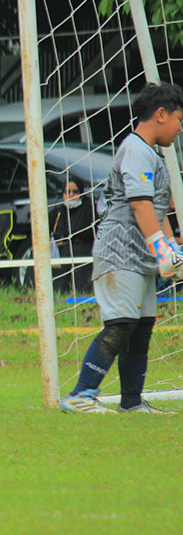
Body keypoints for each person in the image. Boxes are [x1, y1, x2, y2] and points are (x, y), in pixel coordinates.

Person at [59, 82, 183, 415]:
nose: (180, 127)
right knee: (122, 323)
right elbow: (139, 204)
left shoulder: (152, 154)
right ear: (161, 114)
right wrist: (161, 248)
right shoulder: (135, 149)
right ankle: (80, 395)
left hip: (141, 256)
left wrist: (171, 246)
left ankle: (131, 402)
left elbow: (157, 209)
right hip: (120, 253)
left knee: (141, 328)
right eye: (179, 119)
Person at [48, 178, 98, 292]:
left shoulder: (89, 210)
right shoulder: (58, 212)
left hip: (83, 249)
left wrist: (68, 237)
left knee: (72, 250)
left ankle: (81, 291)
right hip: (59, 250)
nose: (70, 195)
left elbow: (88, 232)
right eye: (67, 192)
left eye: (75, 192)